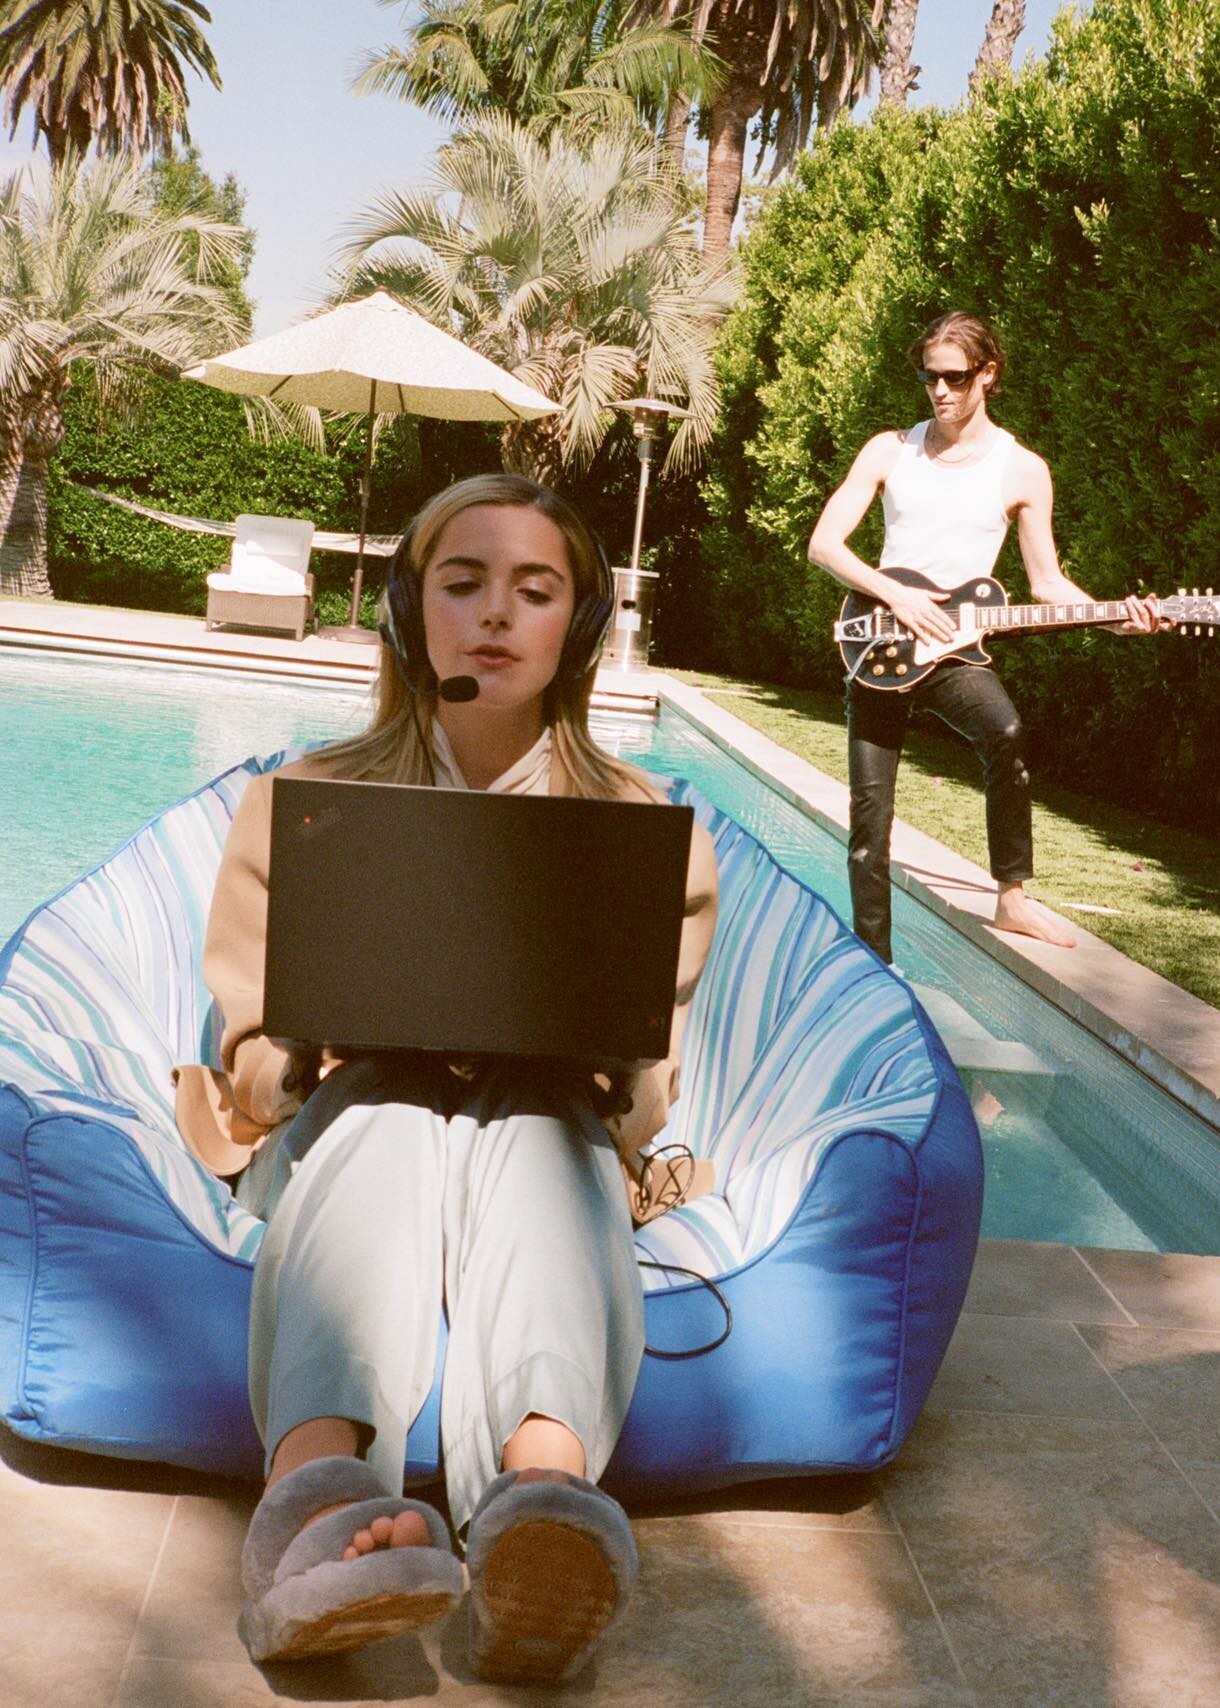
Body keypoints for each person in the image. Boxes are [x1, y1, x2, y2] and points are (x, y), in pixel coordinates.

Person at [174, 473, 719, 1683]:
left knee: (540, 1129)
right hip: (348, 1119)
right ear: (407, 612)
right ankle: (316, 1502)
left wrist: (607, 1065)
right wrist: (298, 1053)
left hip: (547, 1123)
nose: (496, 615)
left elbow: (648, 1089)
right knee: (386, 1112)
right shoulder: (305, 801)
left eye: (536, 590)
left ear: (581, 624)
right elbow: (247, 1058)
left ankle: (539, 1509)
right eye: (463, 584)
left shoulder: (645, 827)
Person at [808, 309, 1165, 963]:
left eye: (955, 377)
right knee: (869, 826)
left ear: (988, 375)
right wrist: (897, 594)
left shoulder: (1022, 470)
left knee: (1005, 732)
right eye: (929, 377)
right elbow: (824, 545)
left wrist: (1116, 617)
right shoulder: (890, 449)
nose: (940, 391)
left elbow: (1048, 584)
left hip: (956, 651)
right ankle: (874, 965)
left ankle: (1012, 898)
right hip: (882, 645)